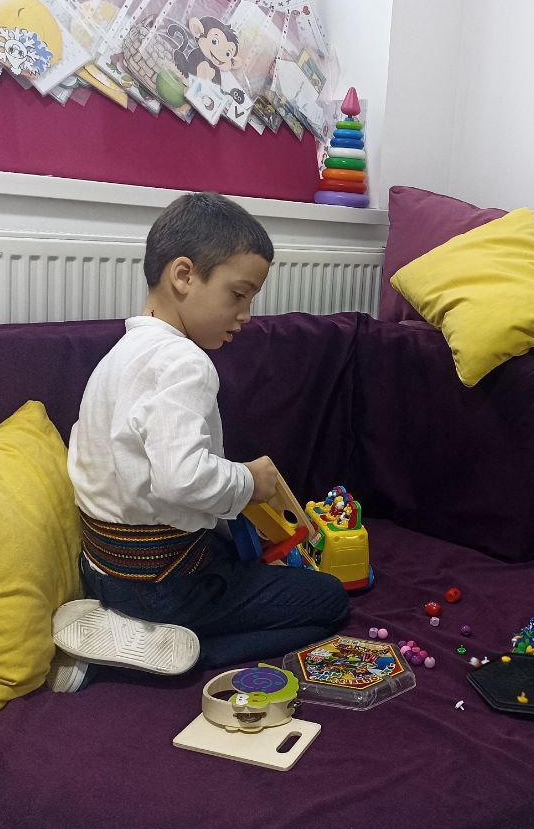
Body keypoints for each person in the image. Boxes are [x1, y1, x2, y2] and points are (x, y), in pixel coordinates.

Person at [50, 192, 349, 690]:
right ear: (184, 276)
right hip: (163, 588)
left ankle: (123, 627)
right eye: (238, 295)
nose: (247, 314)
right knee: (329, 602)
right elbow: (181, 479)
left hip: (103, 573)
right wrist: (248, 481)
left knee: (239, 554)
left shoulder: (118, 357)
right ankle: (164, 649)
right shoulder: (184, 362)